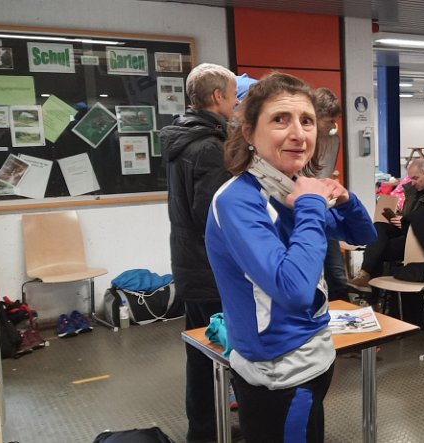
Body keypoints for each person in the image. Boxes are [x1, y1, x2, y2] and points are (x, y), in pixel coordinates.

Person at [205, 72, 377, 442]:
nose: (299, 134)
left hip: (314, 357)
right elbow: (293, 289)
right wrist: (312, 204)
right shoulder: (237, 200)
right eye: (280, 119)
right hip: (277, 375)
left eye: (307, 121)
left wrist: (347, 200)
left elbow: (363, 236)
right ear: (249, 132)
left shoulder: (291, 187)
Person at [160, 62, 238, 443]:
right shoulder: (209, 148)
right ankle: (209, 432)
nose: (237, 102)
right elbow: (214, 216)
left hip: (191, 263)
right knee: (218, 351)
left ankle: (206, 430)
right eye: (234, 95)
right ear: (217, 96)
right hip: (210, 268)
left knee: (201, 352)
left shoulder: (183, 139)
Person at [348, 158, 424, 287]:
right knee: (378, 227)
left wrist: (408, 221)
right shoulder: (413, 190)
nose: (412, 183)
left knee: (379, 248)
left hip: (422, 238)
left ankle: (372, 287)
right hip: (408, 229)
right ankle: (366, 274)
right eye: (410, 178)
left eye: (415, 178)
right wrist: (400, 217)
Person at [303, 87, 351, 301]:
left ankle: (345, 315)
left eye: (335, 120)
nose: (333, 125)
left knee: (337, 275)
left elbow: (325, 173)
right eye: (329, 120)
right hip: (301, 212)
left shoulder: (333, 140)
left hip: (324, 211)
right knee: (310, 274)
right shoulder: (299, 142)